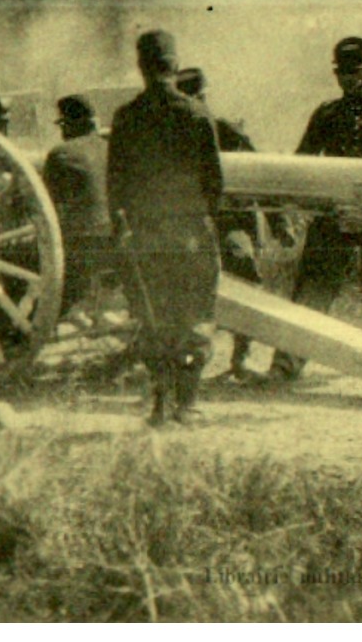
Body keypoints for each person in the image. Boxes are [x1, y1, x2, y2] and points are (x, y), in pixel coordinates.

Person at [268, 37, 362, 381]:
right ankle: (286, 365)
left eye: (356, 72)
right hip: (334, 215)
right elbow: (303, 161)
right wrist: (296, 201)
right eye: (342, 73)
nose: (349, 80)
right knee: (313, 287)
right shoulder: (326, 115)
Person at [107, 30, 224, 426]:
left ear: (141, 67)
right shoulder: (196, 114)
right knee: (193, 317)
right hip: (189, 232)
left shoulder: (125, 117)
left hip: (146, 233)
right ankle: (187, 404)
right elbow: (215, 182)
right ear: (174, 65)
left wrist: (124, 226)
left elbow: (115, 182)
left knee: (154, 317)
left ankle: (159, 406)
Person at [175, 67, 293, 379]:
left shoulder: (224, 129)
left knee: (242, 268)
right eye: (186, 98)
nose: (193, 104)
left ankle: (240, 358)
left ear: (204, 96)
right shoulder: (173, 133)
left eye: (197, 98)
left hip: (232, 218)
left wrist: (279, 222)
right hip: (191, 219)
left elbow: (260, 173)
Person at [42, 95, 112, 320]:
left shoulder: (61, 154)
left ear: (68, 126)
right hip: (117, 243)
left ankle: (5, 332)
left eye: (63, 126)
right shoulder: (113, 149)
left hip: (79, 250)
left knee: (9, 254)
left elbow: (46, 208)